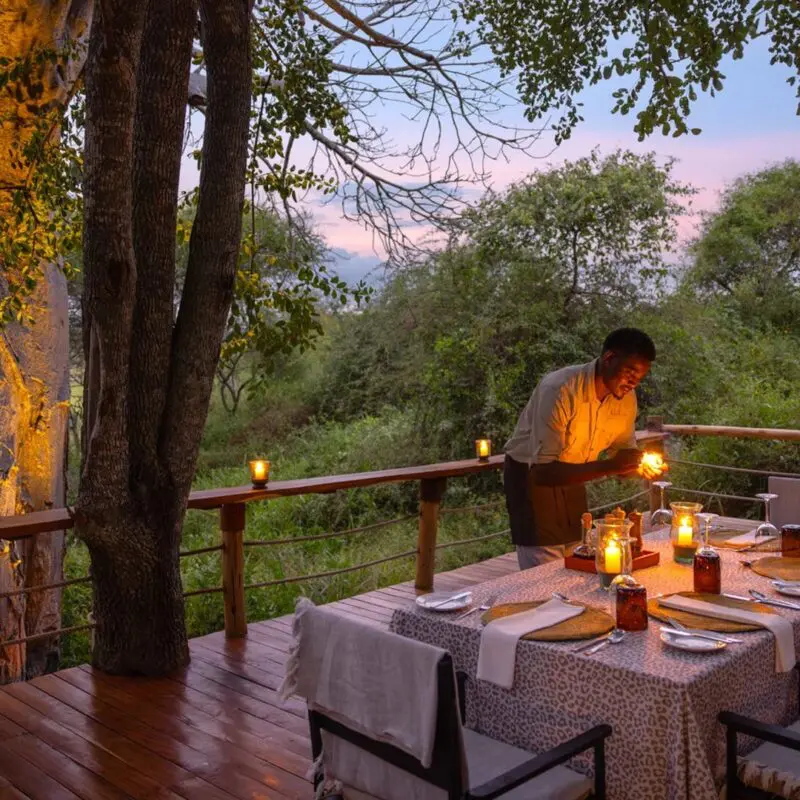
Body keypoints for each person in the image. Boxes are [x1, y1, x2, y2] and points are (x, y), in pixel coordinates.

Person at [503, 328, 657, 570]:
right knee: (543, 571)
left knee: (578, 558)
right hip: (532, 477)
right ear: (608, 359)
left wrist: (636, 464)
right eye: (630, 373)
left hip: (573, 475)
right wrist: (612, 466)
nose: (633, 383)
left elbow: (621, 457)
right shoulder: (560, 388)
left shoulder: (626, 397)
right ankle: (543, 606)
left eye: (640, 378)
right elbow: (542, 472)